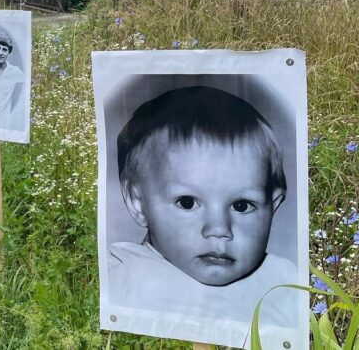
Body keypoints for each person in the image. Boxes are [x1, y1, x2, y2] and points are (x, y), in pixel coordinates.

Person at [108, 85, 297, 326]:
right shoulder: (124, 276)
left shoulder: (284, 284)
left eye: (241, 205)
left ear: (273, 205)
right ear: (138, 202)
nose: (219, 229)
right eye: (187, 203)